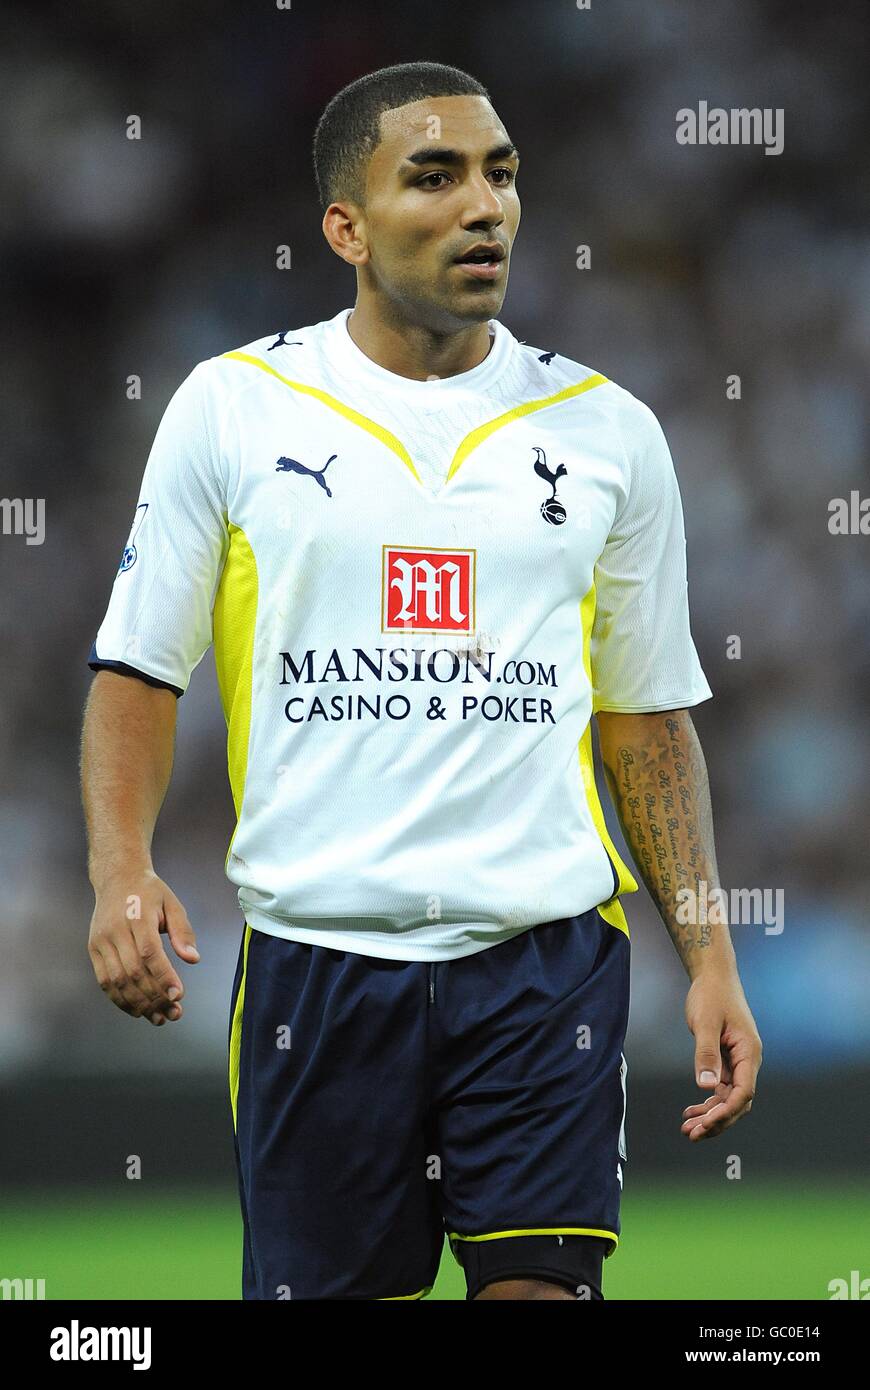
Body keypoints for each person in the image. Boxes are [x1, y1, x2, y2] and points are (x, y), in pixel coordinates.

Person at [81, 60, 762, 1301]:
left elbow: (647, 718)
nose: (484, 206)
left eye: (500, 174)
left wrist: (710, 953)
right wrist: (120, 868)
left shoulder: (609, 432)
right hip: (320, 965)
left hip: (543, 958)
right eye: (434, 176)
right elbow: (137, 664)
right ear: (346, 226)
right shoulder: (233, 408)